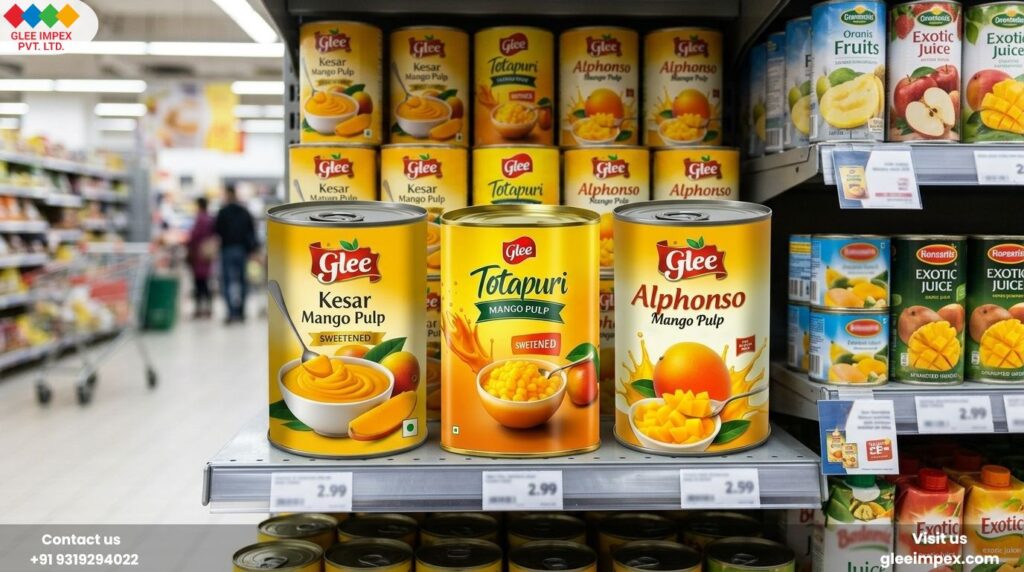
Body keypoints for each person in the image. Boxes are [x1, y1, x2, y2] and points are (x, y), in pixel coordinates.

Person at [214, 185, 257, 324]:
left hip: (227, 249)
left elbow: (217, 231)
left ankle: (231, 312)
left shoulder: (222, 212)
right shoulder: (244, 212)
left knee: (227, 282)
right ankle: (241, 311)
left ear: (228, 194)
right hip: (242, 250)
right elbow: (251, 231)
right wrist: (252, 250)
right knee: (242, 281)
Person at [186, 197, 216, 319]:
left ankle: (199, 308)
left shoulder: (199, 219)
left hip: (198, 254)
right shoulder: (210, 218)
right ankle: (208, 308)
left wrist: (189, 247)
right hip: (207, 254)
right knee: (206, 282)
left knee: (199, 283)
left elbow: (194, 236)